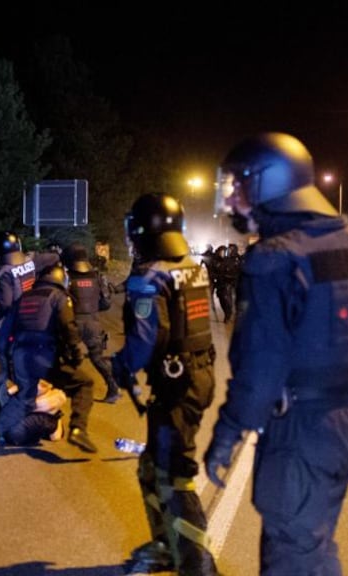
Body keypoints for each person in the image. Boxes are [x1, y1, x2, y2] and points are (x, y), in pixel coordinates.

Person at [203, 133, 348, 575]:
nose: (231, 200)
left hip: (302, 433)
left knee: (293, 557)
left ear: (268, 184)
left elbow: (260, 369)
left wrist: (227, 434)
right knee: (314, 545)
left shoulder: (275, 258)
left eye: (238, 187)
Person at [111, 193, 219, 575]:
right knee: (152, 467)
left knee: (174, 474)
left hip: (177, 385)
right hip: (195, 377)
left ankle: (197, 564)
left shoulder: (149, 277)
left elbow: (146, 341)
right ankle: (166, 545)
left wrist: (121, 365)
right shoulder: (191, 267)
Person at [0, 258, 98, 453]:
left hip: (20, 357)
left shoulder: (23, 298)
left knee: (24, 398)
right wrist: (77, 354)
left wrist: (5, 360)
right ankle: (78, 430)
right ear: (61, 279)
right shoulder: (58, 297)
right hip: (45, 357)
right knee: (84, 383)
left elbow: (5, 332)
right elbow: (68, 327)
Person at [0, 230, 36, 427]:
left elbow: (5, 303)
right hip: (34, 322)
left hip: (14, 325)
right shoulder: (29, 263)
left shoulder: (5, 273)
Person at [62, 241, 121, 403]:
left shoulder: (66, 278)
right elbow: (106, 303)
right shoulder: (97, 276)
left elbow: (60, 303)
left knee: (65, 356)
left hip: (72, 323)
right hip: (93, 323)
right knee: (98, 358)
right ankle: (113, 389)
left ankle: (68, 388)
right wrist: (92, 308)